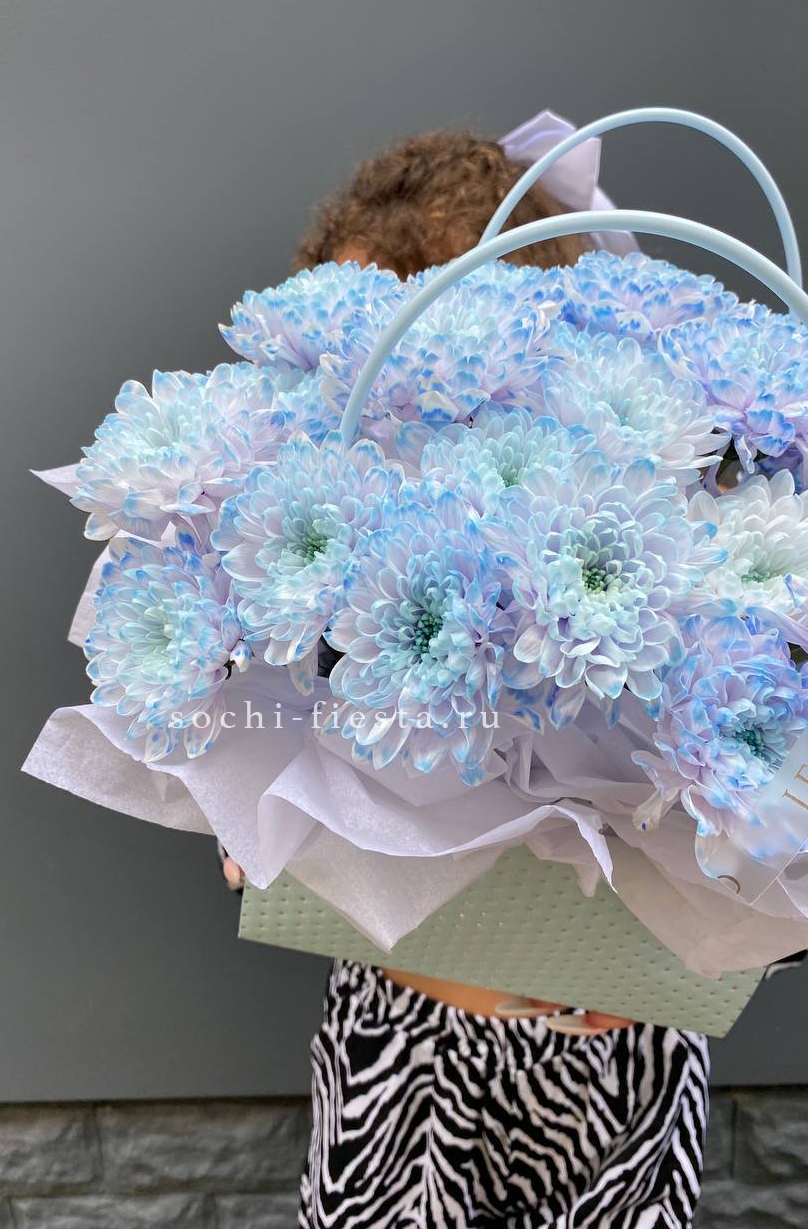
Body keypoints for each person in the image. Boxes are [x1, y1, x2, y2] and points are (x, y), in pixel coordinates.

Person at [226, 123, 709, 1229]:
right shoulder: (320, 533)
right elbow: (260, 779)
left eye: (431, 325)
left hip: (624, 1054)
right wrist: (249, 805)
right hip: (405, 1037)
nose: (398, 371)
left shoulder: (632, 517)